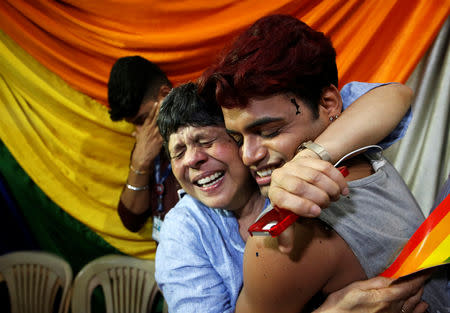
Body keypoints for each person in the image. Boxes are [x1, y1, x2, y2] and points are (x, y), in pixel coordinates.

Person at [200, 14, 448, 312]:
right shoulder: (358, 146)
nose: (248, 155)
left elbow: (397, 94)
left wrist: (309, 157)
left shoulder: (280, 244)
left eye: (269, 132)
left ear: (330, 104)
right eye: (238, 139)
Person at [155, 82, 430, 313]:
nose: (193, 159)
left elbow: (393, 95)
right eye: (178, 152)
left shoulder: (287, 159)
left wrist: (310, 157)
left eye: (206, 142)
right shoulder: (183, 232)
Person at [107, 56, 180, 239]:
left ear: (165, 95)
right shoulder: (147, 146)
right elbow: (131, 219)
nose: (139, 133)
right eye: (134, 124)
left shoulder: (204, 136)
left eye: (142, 120)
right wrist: (139, 165)